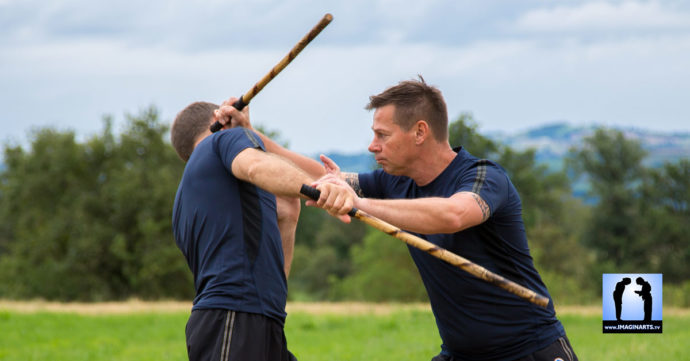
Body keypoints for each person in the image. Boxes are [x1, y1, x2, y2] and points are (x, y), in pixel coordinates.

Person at [240, 77, 579, 361]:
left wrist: (358, 204)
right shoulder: (396, 182)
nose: (373, 146)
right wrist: (251, 137)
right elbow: (325, 179)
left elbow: (453, 213)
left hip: (530, 350)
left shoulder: (485, 177)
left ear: (420, 132)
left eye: (382, 135)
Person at [170, 98, 352, 361]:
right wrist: (319, 190)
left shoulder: (201, 190)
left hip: (260, 317)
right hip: (233, 318)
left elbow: (288, 209)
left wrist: (250, 132)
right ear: (218, 121)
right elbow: (256, 166)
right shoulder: (221, 141)